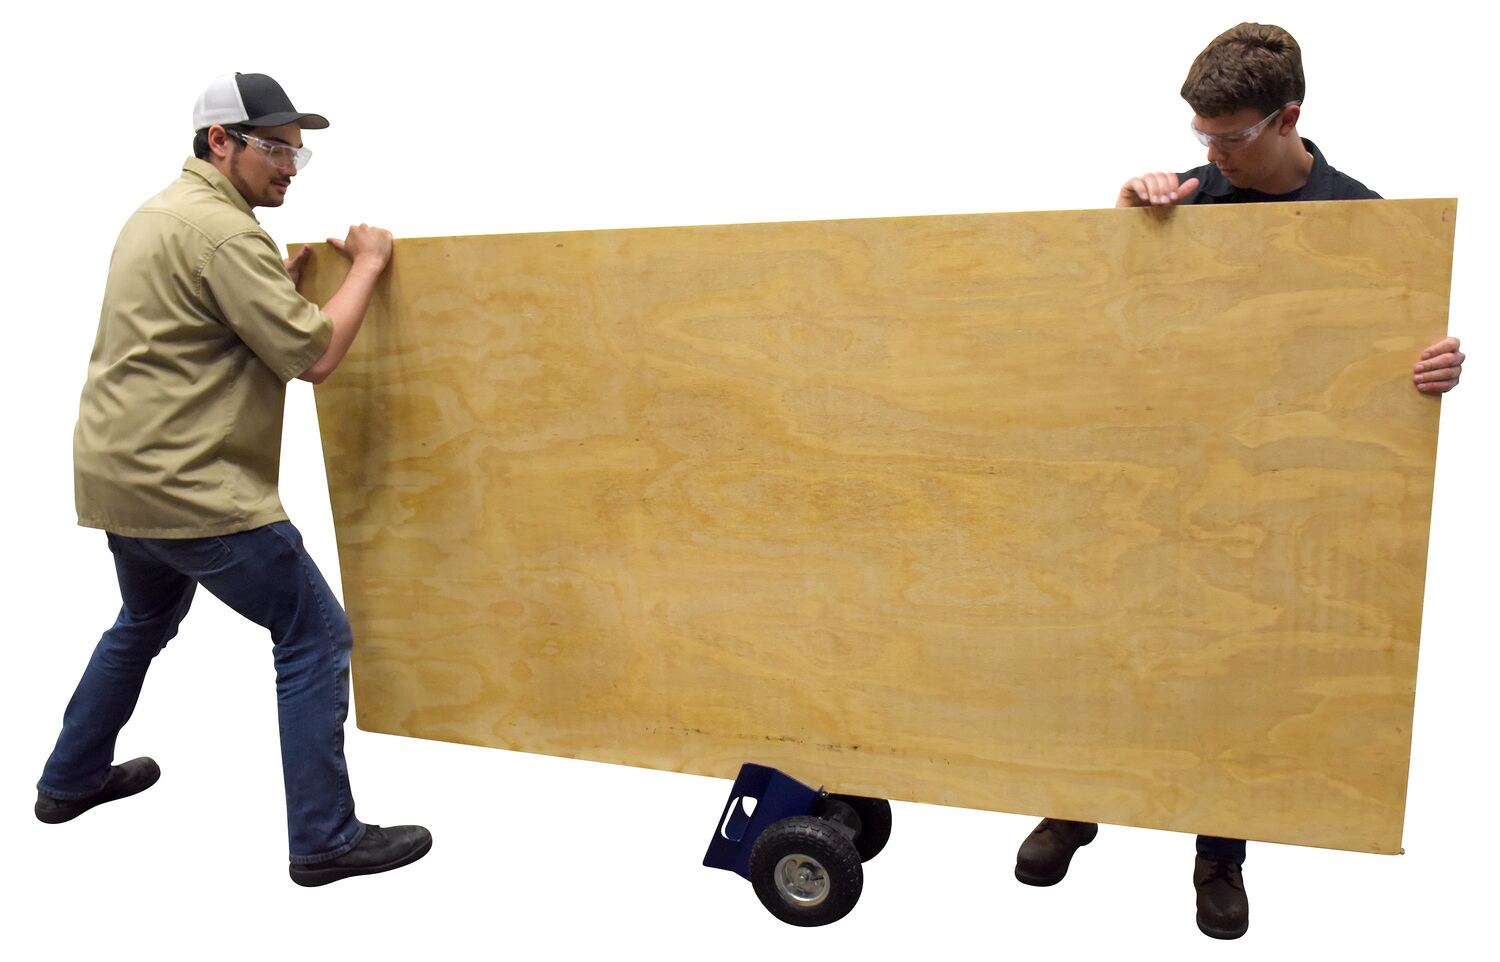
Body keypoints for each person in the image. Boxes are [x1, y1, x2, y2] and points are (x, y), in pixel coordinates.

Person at [1013, 23, 1465, 939]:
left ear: (1287, 117)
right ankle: (1075, 801)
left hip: (1269, 486)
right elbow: (1098, 323)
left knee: (1237, 659)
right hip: (1150, 470)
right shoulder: (1184, 202)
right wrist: (1122, 219)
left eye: (1229, 137)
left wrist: (1430, 368)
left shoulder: (1364, 225)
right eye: (1201, 136)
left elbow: (1369, 370)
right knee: (1108, 630)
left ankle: (1219, 851)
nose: (1213, 154)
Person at [35, 72, 432, 887]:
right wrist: (368, 264)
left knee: (144, 619)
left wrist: (270, 291)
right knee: (315, 635)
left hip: (120, 479)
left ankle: (69, 780)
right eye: (274, 149)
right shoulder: (225, 235)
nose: (289, 167)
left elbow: (190, 327)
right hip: (192, 489)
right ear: (220, 141)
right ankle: (325, 840)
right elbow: (317, 357)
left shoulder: (158, 215)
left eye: (296, 153)